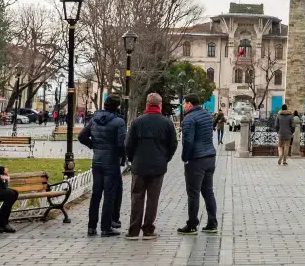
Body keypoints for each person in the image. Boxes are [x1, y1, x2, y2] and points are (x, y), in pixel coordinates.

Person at [124, 93, 177, 240]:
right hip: (158, 166)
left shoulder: (137, 122)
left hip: (139, 165)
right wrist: (165, 159)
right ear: (160, 105)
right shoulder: (166, 123)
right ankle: (148, 229)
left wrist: (132, 159)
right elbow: (173, 144)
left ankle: (134, 230)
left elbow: (128, 144)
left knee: (137, 196)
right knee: (153, 198)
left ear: (147, 104)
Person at [80, 95, 126, 236]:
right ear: (117, 106)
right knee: (109, 194)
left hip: (97, 160)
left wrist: (94, 146)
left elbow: (82, 136)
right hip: (111, 162)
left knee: (96, 194)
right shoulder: (119, 122)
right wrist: (122, 158)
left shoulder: (94, 119)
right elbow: (120, 144)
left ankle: (91, 226)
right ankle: (106, 227)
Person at [177, 95, 218, 235]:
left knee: (193, 193)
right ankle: (212, 223)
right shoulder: (207, 115)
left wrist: (185, 158)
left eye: (184, 103)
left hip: (196, 159)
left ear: (189, 104)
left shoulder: (189, 118)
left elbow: (188, 140)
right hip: (210, 157)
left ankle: (192, 225)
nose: (183, 106)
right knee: (208, 191)